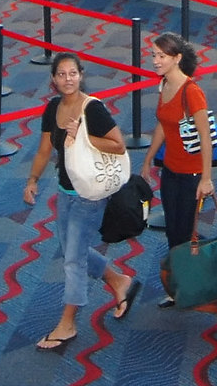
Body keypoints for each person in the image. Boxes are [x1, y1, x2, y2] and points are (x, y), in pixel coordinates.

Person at [23, 51, 141, 347]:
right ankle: (119, 281)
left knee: (73, 259)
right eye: (61, 74)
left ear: (81, 75)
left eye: (72, 73)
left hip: (89, 194)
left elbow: (118, 145)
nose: (67, 79)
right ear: (53, 79)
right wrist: (32, 180)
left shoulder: (93, 110)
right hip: (65, 191)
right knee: (69, 251)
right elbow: (44, 150)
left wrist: (85, 136)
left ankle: (67, 324)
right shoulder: (53, 108)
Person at [146, 34, 217, 305]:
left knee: (186, 232)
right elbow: (164, 125)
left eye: (161, 56)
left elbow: (205, 138)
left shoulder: (192, 92)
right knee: (174, 231)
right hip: (170, 171)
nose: (155, 61)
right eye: (154, 55)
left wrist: (207, 178)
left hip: (192, 175)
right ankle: (179, 287)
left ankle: (192, 287)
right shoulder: (163, 85)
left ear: (177, 59)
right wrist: (149, 159)